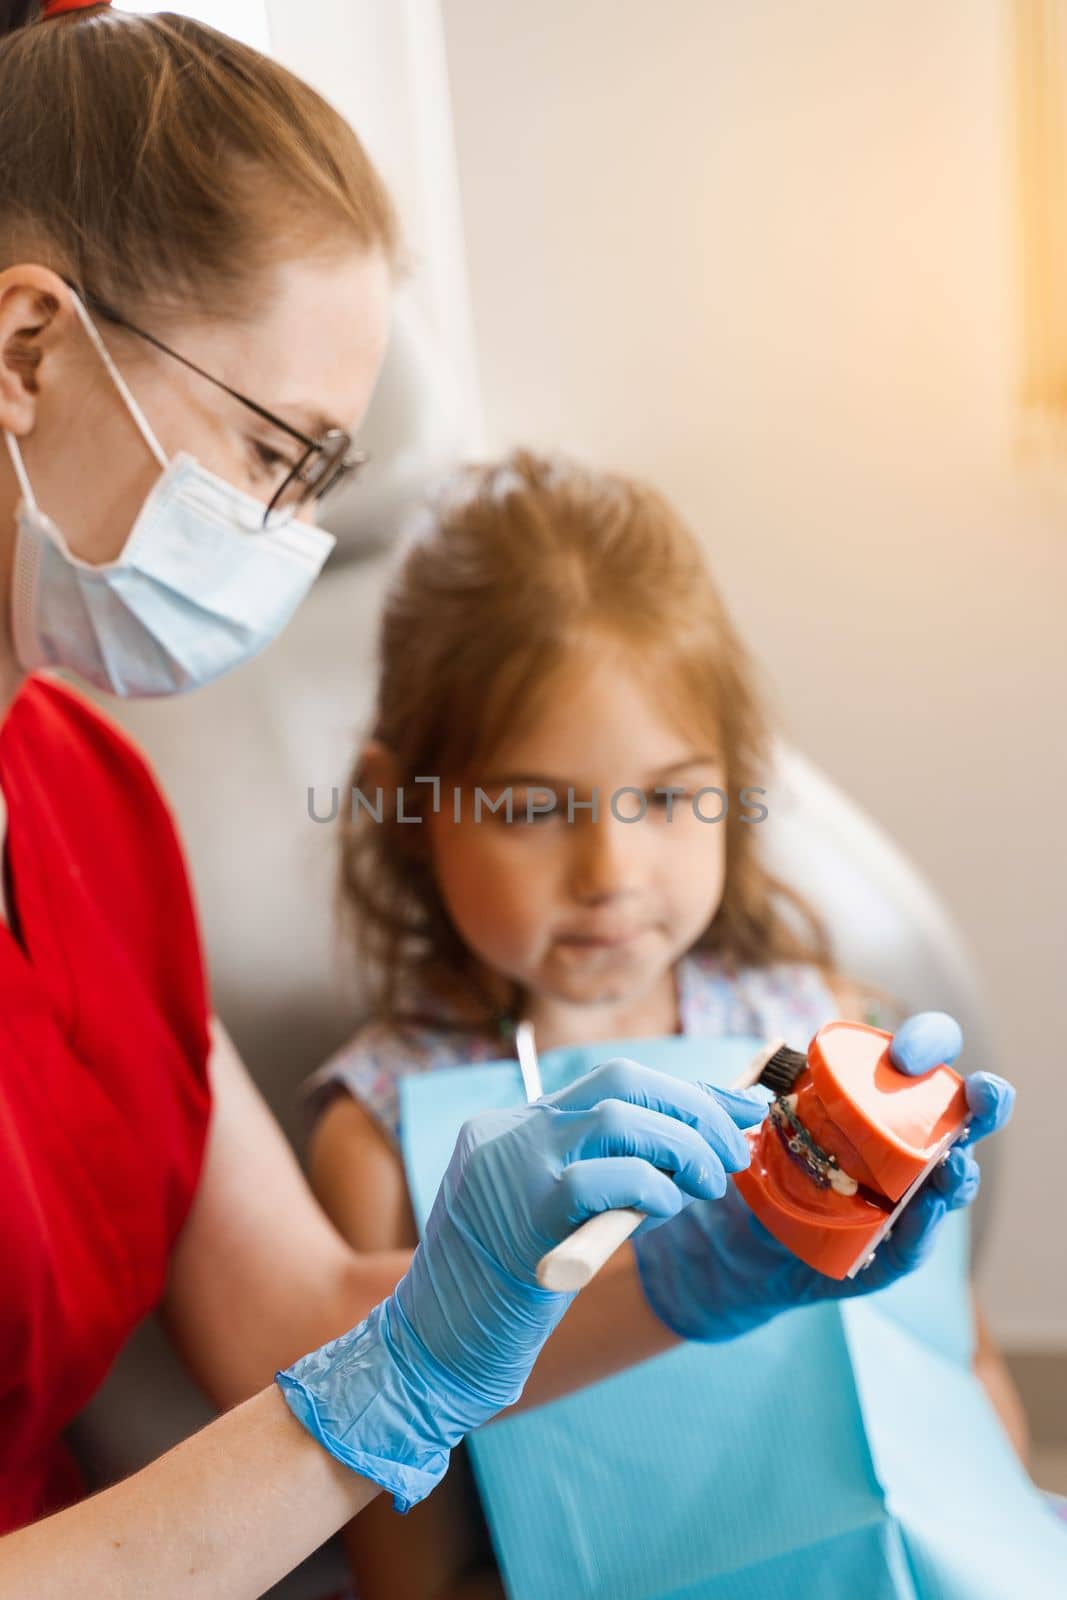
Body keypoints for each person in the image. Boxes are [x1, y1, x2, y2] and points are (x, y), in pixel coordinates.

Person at [0, 6, 1008, 1596]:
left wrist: (695, 1273)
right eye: (273, 453)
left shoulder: (91, 808)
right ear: (27, 350)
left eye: (325, 479)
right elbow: (358, 1385)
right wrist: (389, 1393)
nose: (288, 538)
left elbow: (303, 1321)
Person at [305, 450, 1023, 1598]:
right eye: (532, 808)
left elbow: (963, 1373)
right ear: (406, 807)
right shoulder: (381, 1133)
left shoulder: (817, 1026)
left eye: (670, 796)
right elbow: (407, 1558)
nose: (611, 869)